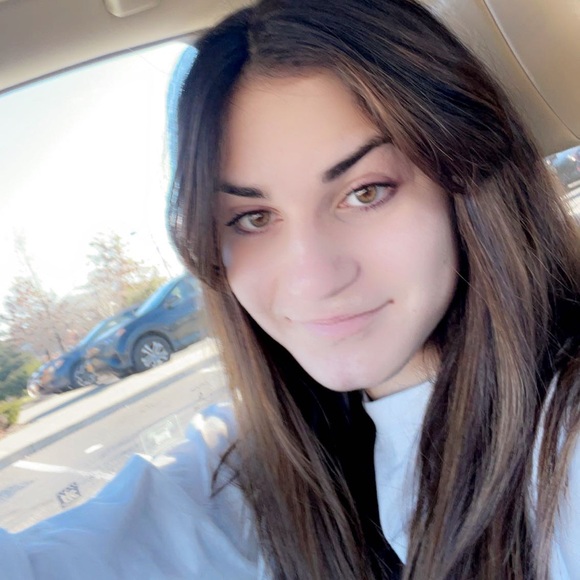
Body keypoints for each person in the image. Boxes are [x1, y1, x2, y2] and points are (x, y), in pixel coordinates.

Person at [2, 0, 579, 578]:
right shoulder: (257, 468)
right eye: (252, 218)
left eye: (366, 192)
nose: (312, 278)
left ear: (463, 180)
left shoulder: (563, 442)